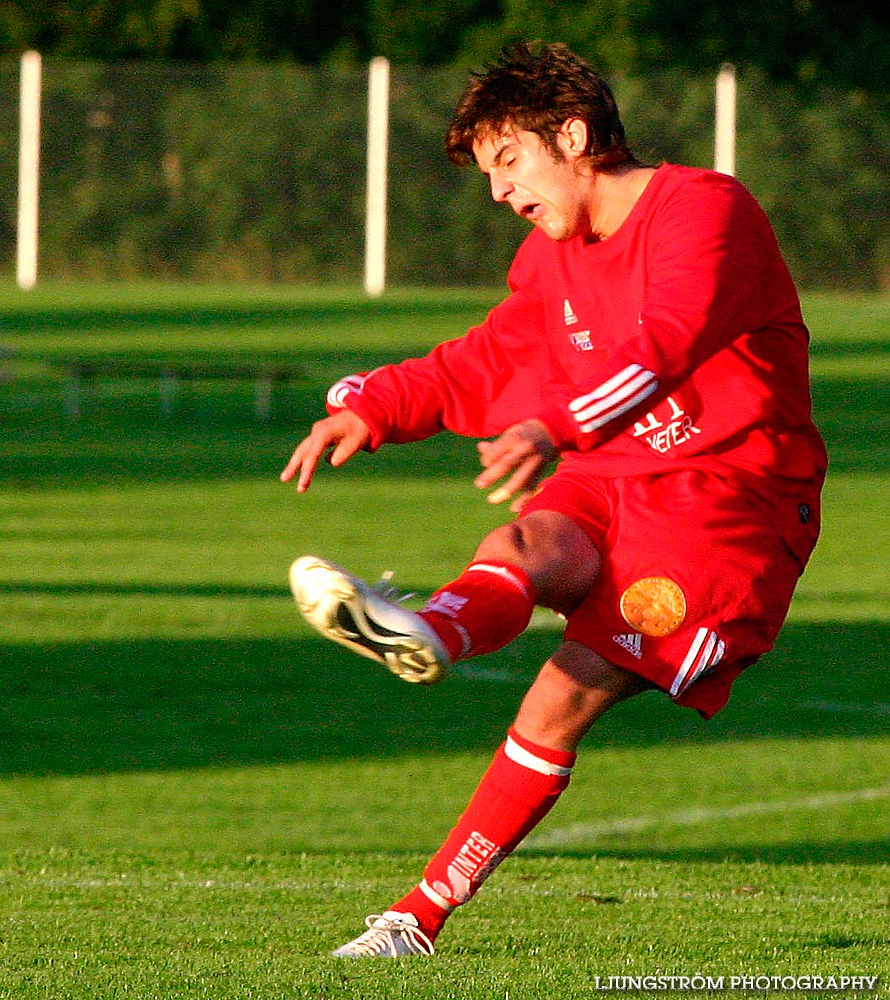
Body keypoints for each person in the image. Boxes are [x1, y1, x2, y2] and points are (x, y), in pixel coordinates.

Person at [280, 41, 826, 959]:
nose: (499, 193)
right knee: (527, 544)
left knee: (556, 701)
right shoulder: (551, 256)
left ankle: (418, 917)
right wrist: (373, 406)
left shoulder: (706, 210)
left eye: (507, 163)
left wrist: (553, 428)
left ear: (573, 135)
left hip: (728, 508)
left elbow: (667, 342)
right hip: (612, 475)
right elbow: (486, 360)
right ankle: (431, 634)